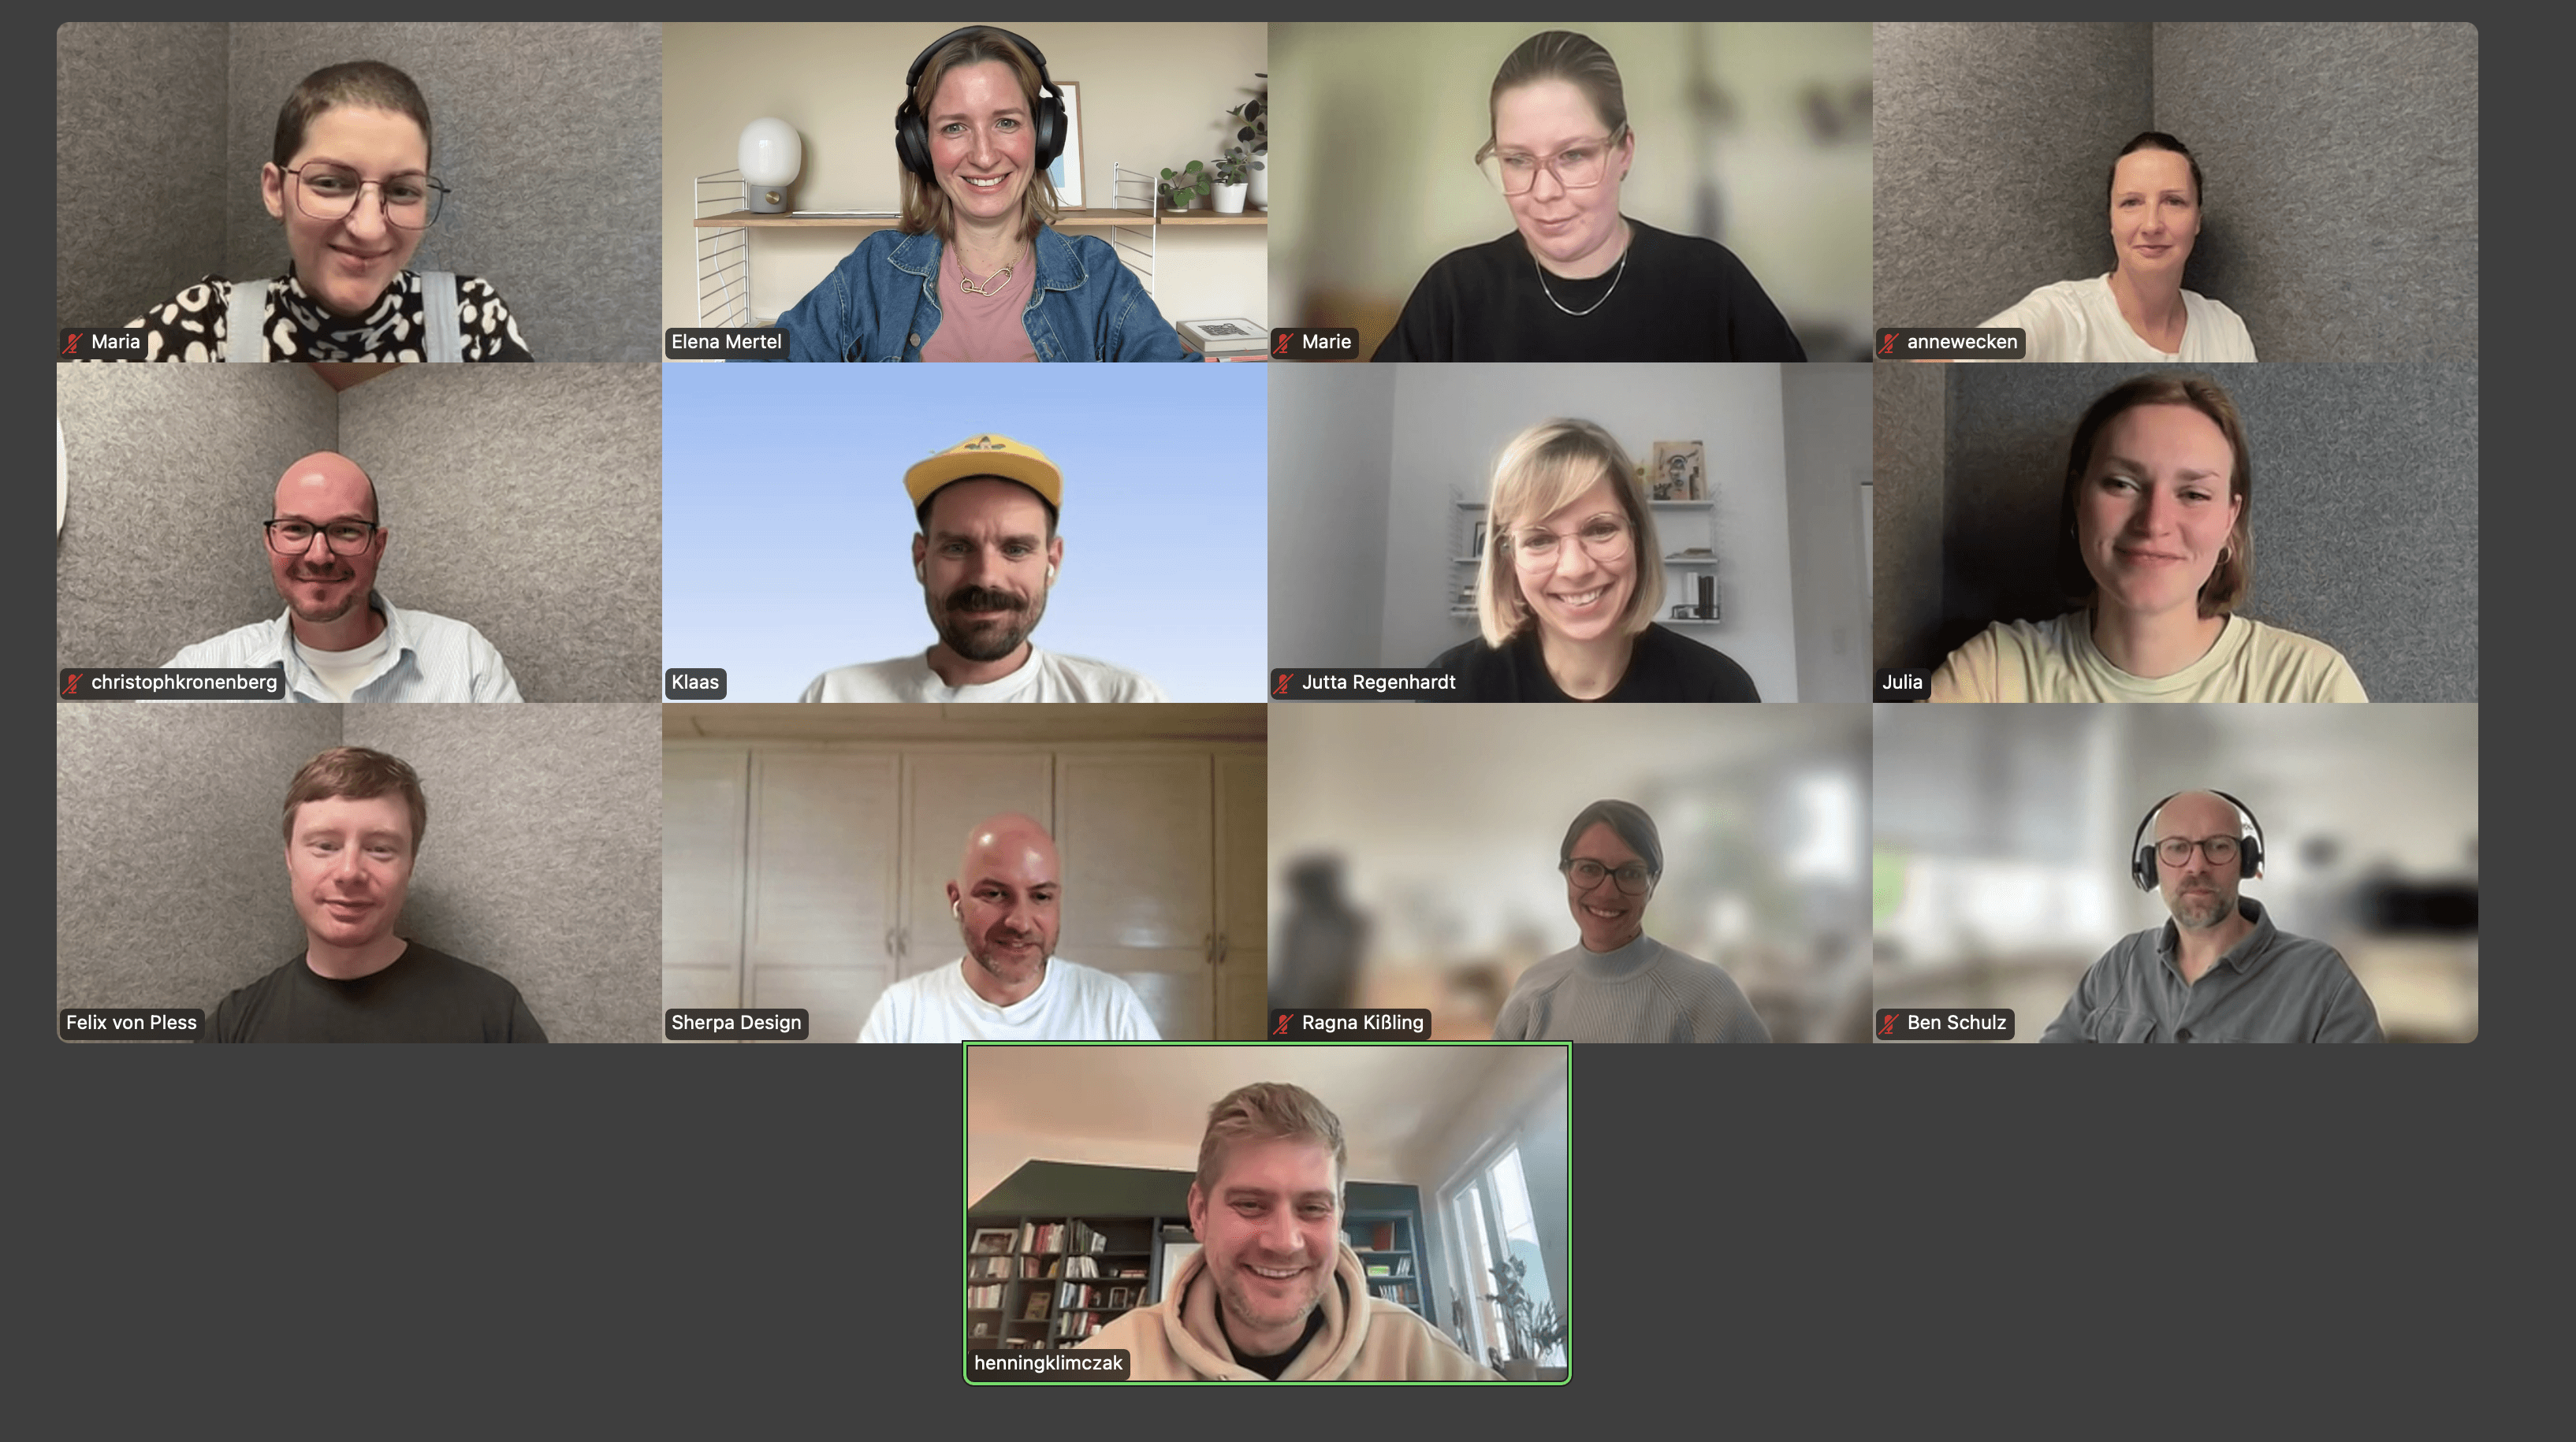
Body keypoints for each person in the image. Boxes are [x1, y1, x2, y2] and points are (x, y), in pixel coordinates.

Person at [1372, 31, 1804, 362]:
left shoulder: (1712, 281)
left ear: (1624, 152)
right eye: (1517, 160)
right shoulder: (1452, 292)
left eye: (1573, 155)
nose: (1543, 193)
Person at [1926, 374, 2364, 701]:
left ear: (2231, 519)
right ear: (2079, 498)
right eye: (2122, 484)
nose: (2154, 523)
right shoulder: (1995, 673)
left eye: (2193, 494)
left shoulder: (2312, 685)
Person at [775, 27, 1194, 362]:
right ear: (921, 149)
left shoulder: (1096, 276)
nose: (984, 155)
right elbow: (760, 355)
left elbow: (1184, 395)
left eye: (1006, 123)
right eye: (955, 127)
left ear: (1044, 136)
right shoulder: (875, 270)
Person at [114, 61, 531, 362]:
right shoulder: (206, 321)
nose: (368, 229)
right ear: (276, 190)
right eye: (331, 183)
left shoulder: (472, 318)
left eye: (403, 190)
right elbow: (78, 347)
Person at [1075, 1083, 1499, 1380]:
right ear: (1200, 1212)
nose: (1284, 1242)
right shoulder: (1119, 1357)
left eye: (1313, 1208)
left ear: (1338, 1217)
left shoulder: (1415, 1356)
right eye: (1250, 1204)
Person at [799, 433, 1167, 702]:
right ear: (920, 558)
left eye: (1016, 549)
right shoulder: (837, 697)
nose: (986, 576)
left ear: (1052, 561)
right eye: (958, 548)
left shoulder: (1122, 701)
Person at [211, 747, 546, 1042]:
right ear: (289, 857)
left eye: (380, 849)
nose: (349, 872)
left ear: (410, 863)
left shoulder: (495, 1014)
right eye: (326, 846)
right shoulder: (231, 1027)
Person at [1428, 420, 1759, 701]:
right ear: (1507, 558)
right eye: (1539, 540)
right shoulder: (1447, 685)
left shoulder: (1720, 688)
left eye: (1600, 529)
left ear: (1637, 538)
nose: (1575, 569)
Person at [163, 452, 523, 701]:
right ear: (269, 541)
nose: (319, 556)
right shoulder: (204, 669)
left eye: (346, 531)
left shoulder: (464, 654)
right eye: (295, 530)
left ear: (378, 546)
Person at [2042, 791, 2380, 1042]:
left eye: (2218, 846)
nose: (2196, 865)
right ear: (2151, 867)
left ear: (2246, 862)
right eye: (2177, 847)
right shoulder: (2120, 964)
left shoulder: (2320, 979)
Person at [858, 813, 1160, 1042]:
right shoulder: (902, 1014)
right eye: (995, 894)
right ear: (956, 899)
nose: (1020, 922)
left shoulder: (1112, 1009)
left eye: (1041, 897)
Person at [1492, 800, 1770, 1042]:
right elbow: (1500, 1098)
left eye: (1630, 873)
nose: (1606, 892)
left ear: (1654, 882)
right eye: (1589, 869)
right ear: (1566, 872)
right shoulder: (1533, 993)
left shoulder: (1709, 994)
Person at [1976, 132, 2255, 362]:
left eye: (2174, 202)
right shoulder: (2062, 316)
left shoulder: (2226, 330)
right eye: (2131, 203)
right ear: (2112, 220)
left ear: (2197, 221)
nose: (2151, 225)